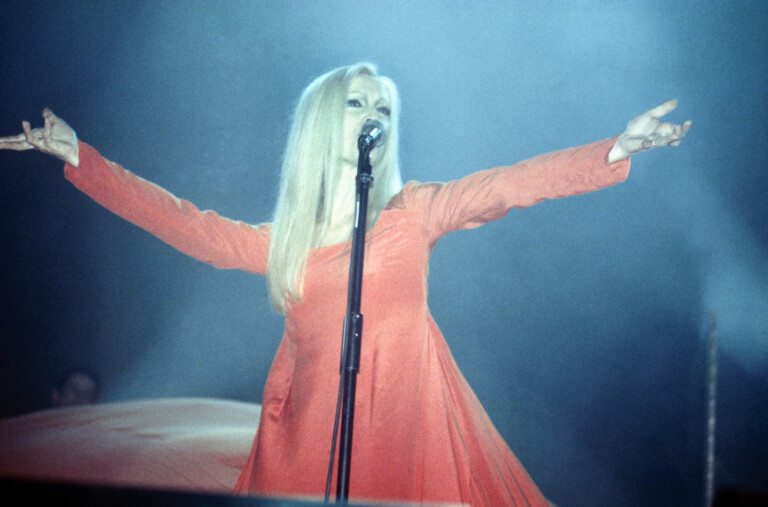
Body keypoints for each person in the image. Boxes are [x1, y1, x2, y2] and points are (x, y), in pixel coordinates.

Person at [0, 63, 690, 505]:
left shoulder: (413, 213)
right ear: (325, 119)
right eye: (357, 101)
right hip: (312, 452)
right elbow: (189, 226)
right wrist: (82, 160)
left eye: (381, 106)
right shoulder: (287, 249)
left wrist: (613, 150)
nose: (372, 114)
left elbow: (505, 187)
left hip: (404, 441)